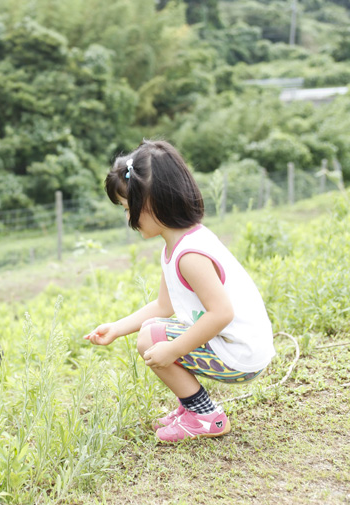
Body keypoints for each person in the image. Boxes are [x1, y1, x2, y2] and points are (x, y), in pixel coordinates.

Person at [85, 140, 275, 442]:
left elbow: (222, 313)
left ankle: (206, 416)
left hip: (242, 354)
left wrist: (173, 350)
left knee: (152, 338)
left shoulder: (190, 255)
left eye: (127, 208)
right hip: (237, 346)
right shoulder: (178, 244)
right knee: (152, 330)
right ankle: (193, 408)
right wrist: (117, 329)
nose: (127, 218)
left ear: (150, 203)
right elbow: (163, 306)